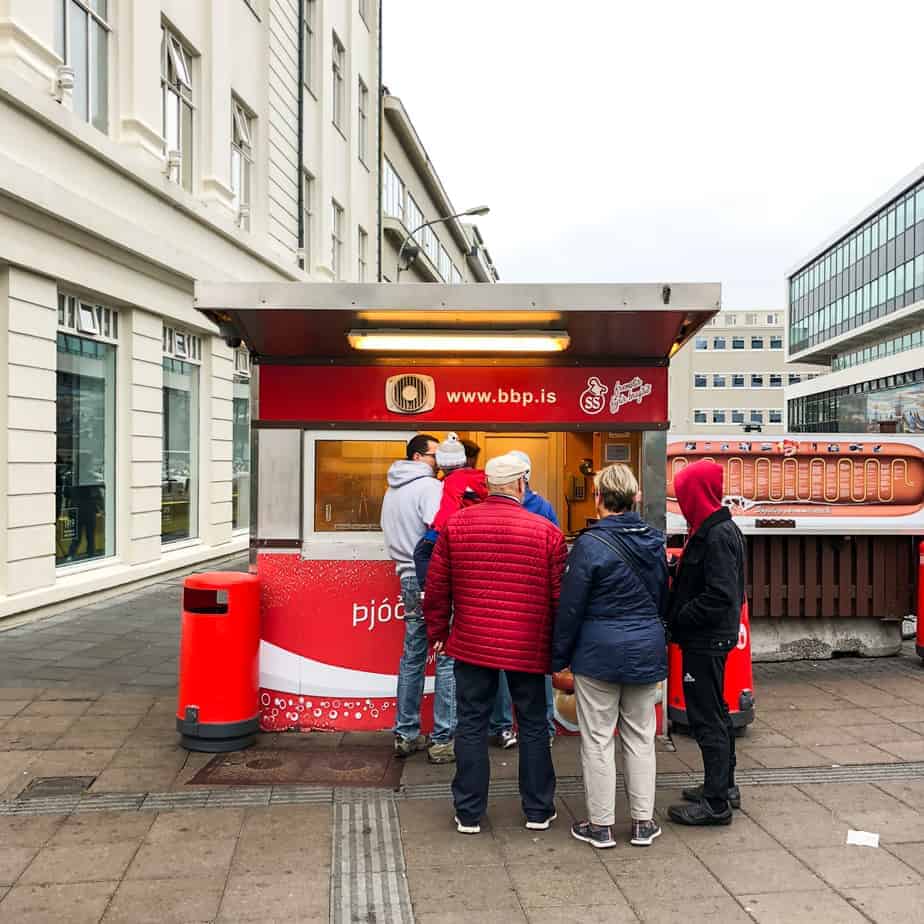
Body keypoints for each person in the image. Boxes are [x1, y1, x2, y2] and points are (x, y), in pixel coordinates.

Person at [424, 453, 567, 834]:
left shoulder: (456, 526)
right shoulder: (546, 532)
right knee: (534, 724)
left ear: (487, 486)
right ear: (522, 484)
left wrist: (438, 633)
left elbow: (436, 590)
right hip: (528, 645)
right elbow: (558, 598)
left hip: (472, 642)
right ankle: (538, 810)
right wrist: (559, 649)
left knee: (471, 723)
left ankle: (469, 813)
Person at [553, 464, 668, 849]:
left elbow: (571, 606)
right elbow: (662, 598)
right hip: (644, 651)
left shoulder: (588, 545)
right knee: (640, 737)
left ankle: (600, 826)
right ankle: (642, 824)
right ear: (635, 497)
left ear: (599, 499)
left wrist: (559, 656)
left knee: (598, 739)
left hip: (597, 653)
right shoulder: (655, 541)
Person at [667, 459, 745, 826]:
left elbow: (720, 594)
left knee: (706, 718)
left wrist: (680, 616)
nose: (681, 502)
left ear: (696, 494)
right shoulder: (714, 529)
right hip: (710, 638)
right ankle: (723, 786)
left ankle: (715, 803)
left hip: (705, 640)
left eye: (683, 494)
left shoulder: (716, 535)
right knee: (716, 712)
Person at [381, 434, 456, 764]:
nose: (437, 462)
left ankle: (405, 733)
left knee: (412, 653)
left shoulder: (392, 489)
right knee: (446, 655)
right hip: (431, 578)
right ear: (416, 457)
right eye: (433, 456)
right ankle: (442, 739)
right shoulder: (428, 488)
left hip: (406, 577)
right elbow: (440, 530)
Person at [489, 449, 559, 750]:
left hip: (497, 597)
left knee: (501, 666)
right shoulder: (542, 506)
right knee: (537, 664)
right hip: (534, 597)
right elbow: (557, 551)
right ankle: (545, 725)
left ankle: (503, 727)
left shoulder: (486, 509)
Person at [413, 433, 487, 588]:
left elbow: (448, 507)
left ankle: (428, 590)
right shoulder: (482, 477)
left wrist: (433, 532)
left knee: (421, 553)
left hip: (462, 532)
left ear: (441, 464)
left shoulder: (452, 481)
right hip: (481, 532)